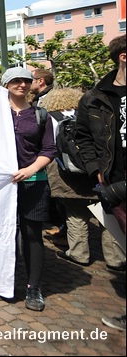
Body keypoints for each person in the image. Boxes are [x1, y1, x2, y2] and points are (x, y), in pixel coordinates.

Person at [75, 35, 126, 332]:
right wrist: (96, 170)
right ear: (123, 57)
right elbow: (82, 137)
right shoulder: (95, 97)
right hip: (116, 185)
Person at [42, 87, 124, 270]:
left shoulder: (50, 117)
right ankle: (115, 257)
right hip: (97, 170)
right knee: (106, 213)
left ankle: (79, 253)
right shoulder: (91, 115)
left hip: (67, 174)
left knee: (75, 214)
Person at [1, 66, 56, 312]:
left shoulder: (40, 115)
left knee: (32, 235)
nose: (21, 85)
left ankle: (34, 287)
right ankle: (3, 280)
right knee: (3, 233)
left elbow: (49, 149)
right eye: (15, 81)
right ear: (6, 85)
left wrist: (31, 169)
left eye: (26, 80)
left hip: (33, 184)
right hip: (1, 187)